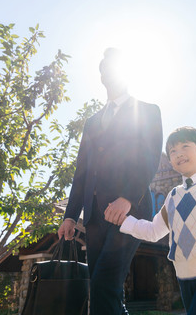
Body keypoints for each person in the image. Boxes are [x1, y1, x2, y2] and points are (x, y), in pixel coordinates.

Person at [58, 48, 163, 315]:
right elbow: (82, 172)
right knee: (104, 289)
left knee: (105, 282)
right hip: (94, 218)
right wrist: (70, 216)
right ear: (102, 76)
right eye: (106, 70)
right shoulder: (92, 122)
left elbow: (149, 160)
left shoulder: (148, 111)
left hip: (129, 212)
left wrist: (127, 197)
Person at [111, 126, 196, 315]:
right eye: (173, 151)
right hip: (184, 278)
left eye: (185, 146)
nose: (178, 154)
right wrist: (124, 221)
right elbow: (154, 231)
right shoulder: (172, 196)